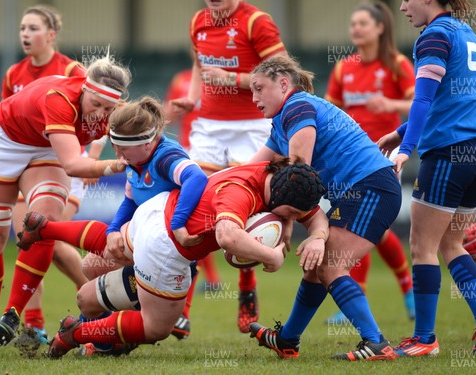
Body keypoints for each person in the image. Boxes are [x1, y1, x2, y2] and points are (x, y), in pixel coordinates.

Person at [22, 158, 329, 358]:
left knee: (91, 270)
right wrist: (271, 256)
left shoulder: (269, 170)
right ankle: (78, 333)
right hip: (167, 247)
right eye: (291, 214)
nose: (292, 220)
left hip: (156, 211)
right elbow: (228, 236)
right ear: (283, 200)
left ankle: (48, 228)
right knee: (156, 326)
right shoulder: (240, 193)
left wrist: (312, 232)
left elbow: (309, 214)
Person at [16, 96, 208, 352]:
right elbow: (129, 202)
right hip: (144, 248)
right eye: (114, 145)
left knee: (152, 329)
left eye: (122, 148)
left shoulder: (165, 157)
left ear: (146, 142)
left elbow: (196, 177)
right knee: (89, 272)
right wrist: (113, 230)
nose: (116, 154)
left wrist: (178, 223)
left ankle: (102, 335)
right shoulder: (136, 161)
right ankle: (94, 336)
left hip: (166, 260)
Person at [0, 55, 131, 356]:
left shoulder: (114, 112)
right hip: (4, 140)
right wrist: (113, 165)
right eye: (95, 104)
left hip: (47, 148)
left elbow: (135, 136)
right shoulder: (60, 99)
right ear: (85, 90)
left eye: (108, 109)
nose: (100, 113)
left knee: (42, 223)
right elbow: (72, 163)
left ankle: (14, 313)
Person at [246, 55, 402, 361]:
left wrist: (303, 229)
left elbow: (298, 176)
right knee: (315, 268)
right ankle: (288, 339)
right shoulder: (283, 121)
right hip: (360, 190)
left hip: (370, 186)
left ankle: (376, 344)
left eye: (259, 89)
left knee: (330, 265)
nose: (253, 98)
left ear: (283, 84)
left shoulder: (297, 107)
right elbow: (250, 172)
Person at [376, 0, 476, 357]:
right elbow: (450, 100)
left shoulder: (434, 35)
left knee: (421, 247)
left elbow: (424, 100)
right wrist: (401, 132)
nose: (401, 7)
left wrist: (407, 146)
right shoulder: (466, 32)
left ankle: (425, 339)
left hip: (448, 154)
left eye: (407, 0)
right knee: (451, 245)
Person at [170, 0, 288, 334]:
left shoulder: (256, 22)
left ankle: (247, 285)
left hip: (252, 128)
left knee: (246, 212)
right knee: (194, 208)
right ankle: (184, 306)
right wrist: (193, 98)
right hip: (208, 127)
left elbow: (284, 75)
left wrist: (232, 78)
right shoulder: (199, 21)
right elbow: (198, 63)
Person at [1, 4, 95, 343]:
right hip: (26, 168)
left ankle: (100, 298)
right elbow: (8, 127)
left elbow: (94, 118)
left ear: (51, 34)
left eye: (33, 28)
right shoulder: (13, 75)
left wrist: (93, 160)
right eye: (22, 28)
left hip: (65, 167)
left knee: (46, 239)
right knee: (28, 241)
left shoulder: (72, 69)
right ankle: (34, 326)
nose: (25, 34)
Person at [324, 1, 415, 324]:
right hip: (349, 159)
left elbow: (420, 104)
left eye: (362, 23)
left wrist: (389, 103)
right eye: (352, 24)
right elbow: (328, 111)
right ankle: (399, 289)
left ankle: (404, 288)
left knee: (366, 227)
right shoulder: (343, 68)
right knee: (358, 226)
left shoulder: (397, 64)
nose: (356, 29)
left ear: (380, 28)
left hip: (383, 156)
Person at [165, 68, 223, 323]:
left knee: (203, 215)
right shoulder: (180, 79)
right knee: (191, 217)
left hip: (216, 150)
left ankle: (236, 284)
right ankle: (191, 296)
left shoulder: (222, 77)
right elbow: (169, 114)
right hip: (188, 151)